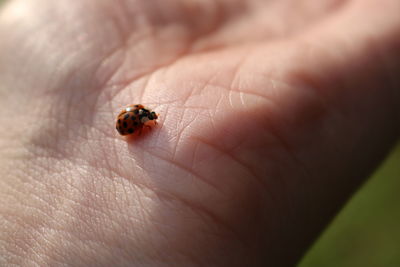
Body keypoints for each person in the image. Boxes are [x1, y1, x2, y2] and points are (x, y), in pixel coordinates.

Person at [0, 0, 399, 266]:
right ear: (141, 119)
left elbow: (134, 124)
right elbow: (131, 128)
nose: (146, 123)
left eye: (144, 120)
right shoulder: (135, 121)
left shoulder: (137, 117)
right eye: (145, 120)